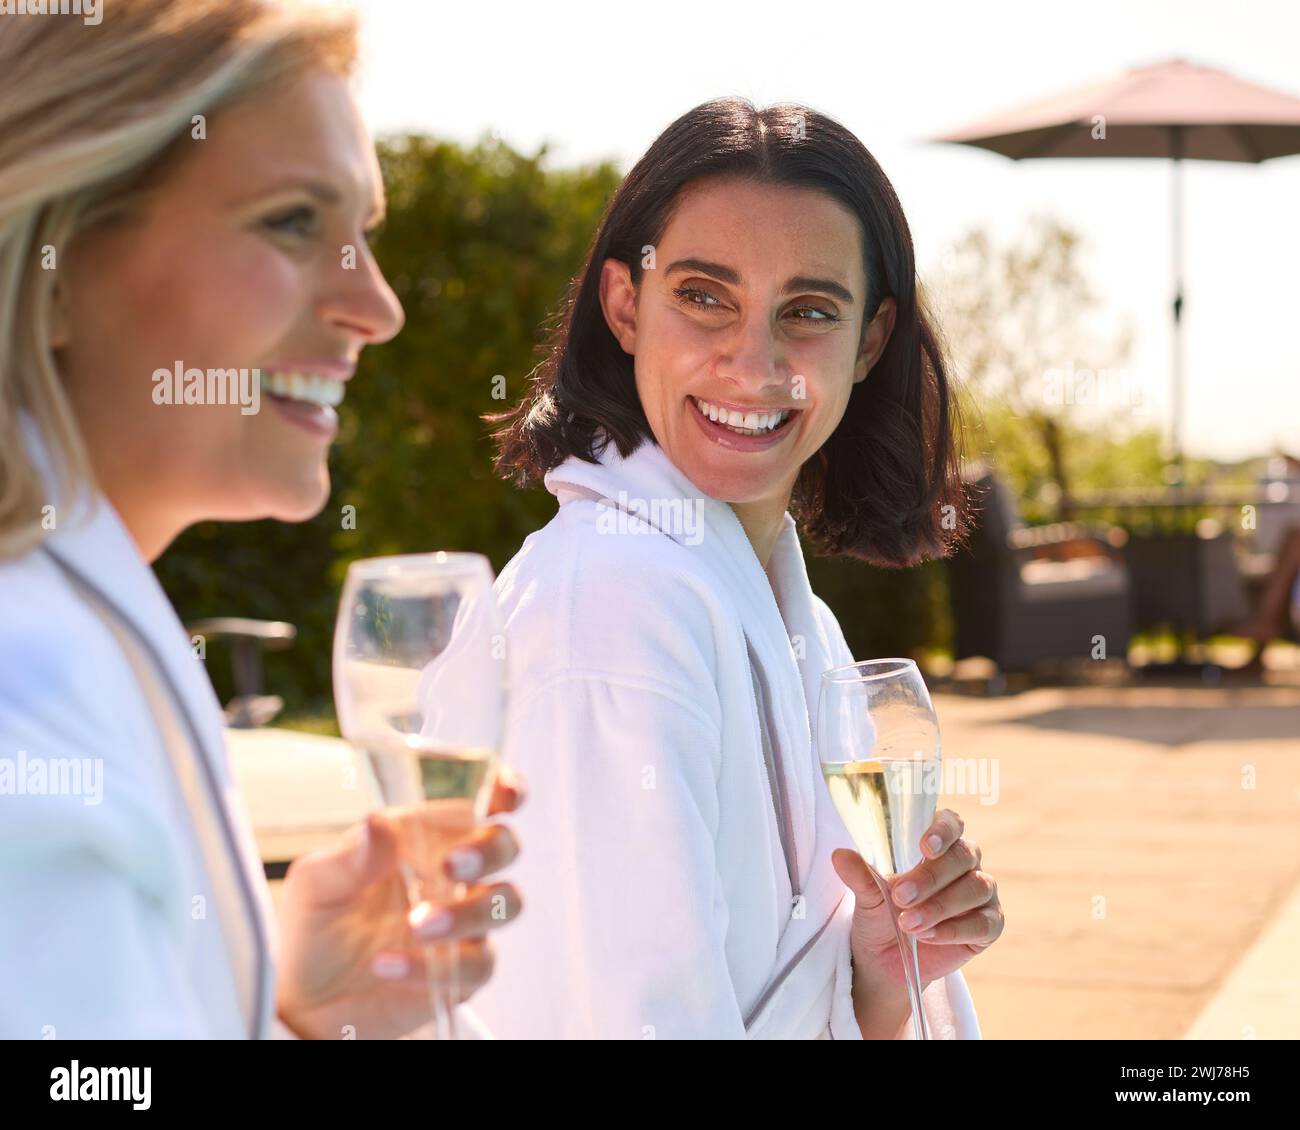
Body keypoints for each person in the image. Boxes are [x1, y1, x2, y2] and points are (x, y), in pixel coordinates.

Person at [0, 0, 520, 1039]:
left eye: (362, 235)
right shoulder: (33, 701)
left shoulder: (80, 625)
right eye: (292, 221)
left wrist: (285, 1008)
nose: (377, 307)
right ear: (50, 262)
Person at [470, 98, 1003, 1039]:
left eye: (807, 312)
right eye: (704, 296)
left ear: (868, 343)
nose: (752, 364)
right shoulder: (610, 605)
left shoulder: (801, 622)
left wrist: (880, 976)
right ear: (625, 305)